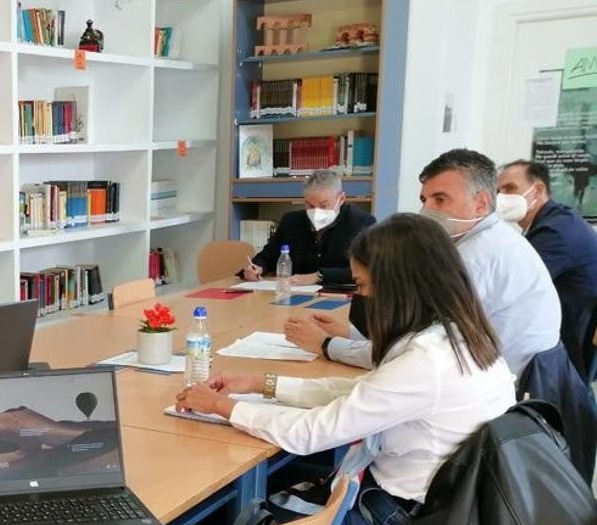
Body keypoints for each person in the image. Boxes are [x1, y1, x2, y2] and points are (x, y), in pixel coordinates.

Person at [176, 214, 515, 525]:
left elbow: (315, 432)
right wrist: (263, 383)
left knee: (225, 517)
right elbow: (365, 395)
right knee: (277, 479)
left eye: (364, 286)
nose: (361, 298)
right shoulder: (457, 336)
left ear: (399, 286)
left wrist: (223, 406)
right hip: (443, 517)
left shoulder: (426, 361)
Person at [286, 149, 561, 375]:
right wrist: (352, 335)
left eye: (440, 200)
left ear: (480, 203)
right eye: (424, 200)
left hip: (500, 397)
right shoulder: (489, 239)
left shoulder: (474, 258)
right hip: (509, 377)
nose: (427, 211)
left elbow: (414, 355)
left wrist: (326, 345)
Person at [496, 159, 597, 373]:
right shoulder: (551, 221)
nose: (502, 198)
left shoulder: (556, 231)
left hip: (570, 339)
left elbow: (515, 286)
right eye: (499, 191)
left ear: (538, 189)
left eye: (510, 188)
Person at [239, 170, 375, 286]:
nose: (316, 212)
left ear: (342, 199)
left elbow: (367, 270)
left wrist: (318, 276)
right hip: (293, 296)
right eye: (310, 205)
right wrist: (257, 267)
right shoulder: (291, 221)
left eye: (323, 206)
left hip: (340, 299)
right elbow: (268, 256)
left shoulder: (362, 223)